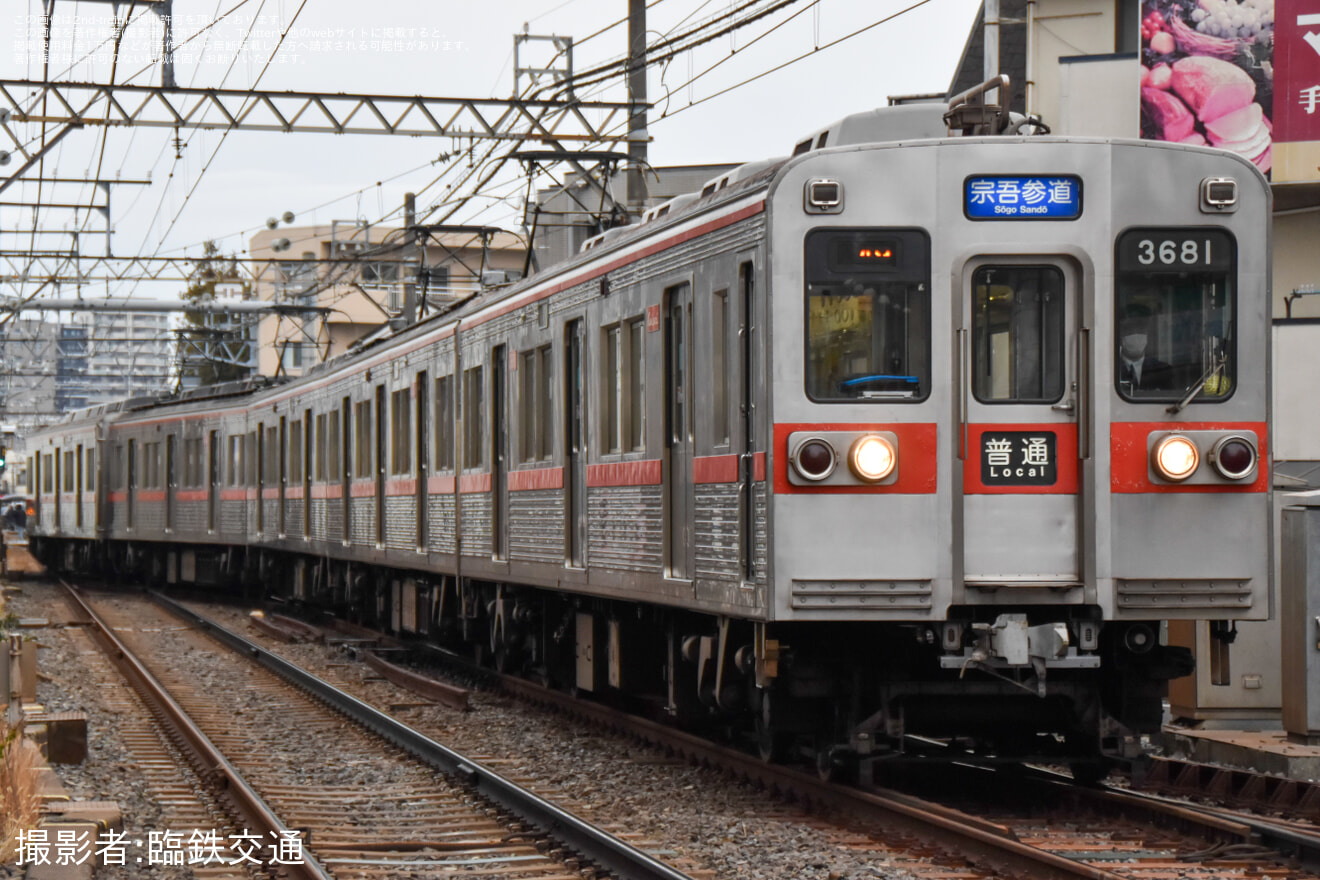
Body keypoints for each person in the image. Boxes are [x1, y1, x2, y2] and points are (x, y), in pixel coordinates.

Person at [1117, 303, 1173, 392]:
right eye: (1129, 329)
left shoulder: (1163, 370)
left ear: (1148, 333)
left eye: (1140, 329)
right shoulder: (1110, 370)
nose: (1135, 334)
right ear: (1120, 334)